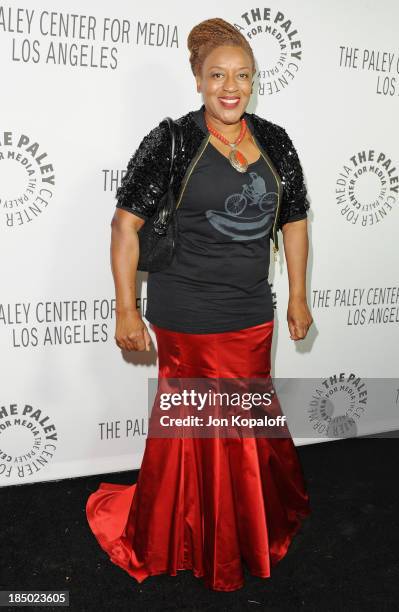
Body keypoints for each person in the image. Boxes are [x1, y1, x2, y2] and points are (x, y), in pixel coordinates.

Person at [86, 17, 313, 592]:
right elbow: (124, 227)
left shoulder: (276, 140)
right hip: (186, 314)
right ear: (198, 79)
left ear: (254, 80)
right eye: (217, 75)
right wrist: (125, 309)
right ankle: (190, 536)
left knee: (242, 427)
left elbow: (294, 221)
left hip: (251, 315)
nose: (230, 86)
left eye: (242, 75)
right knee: (196, 431)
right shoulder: (171, 140)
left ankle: (242, 528)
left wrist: (298, 296)